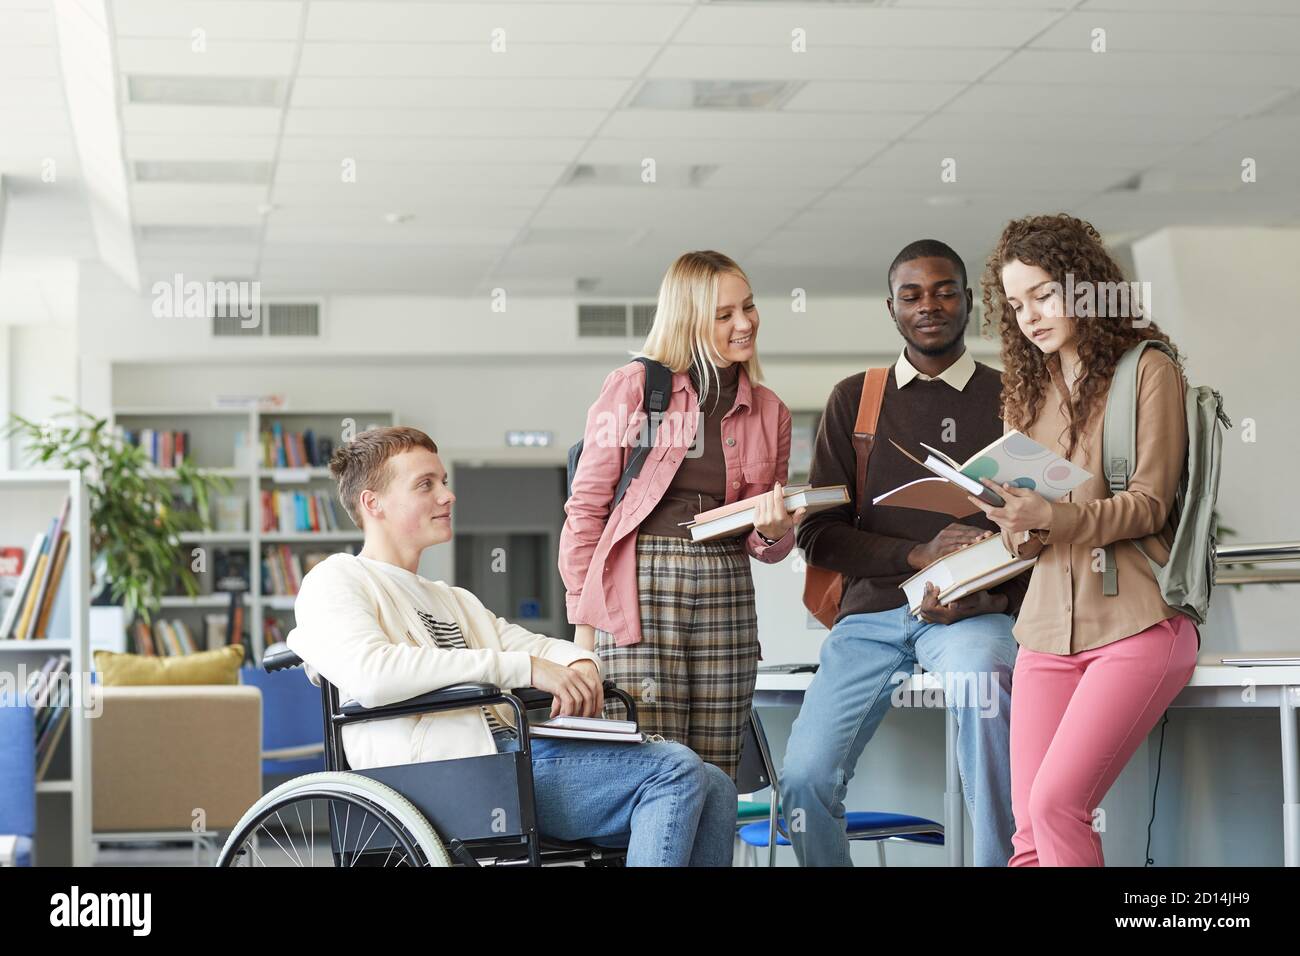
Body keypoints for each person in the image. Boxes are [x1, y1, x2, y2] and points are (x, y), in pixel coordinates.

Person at [286, 426, 737, 866]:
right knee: (674, 769)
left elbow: (536, 646)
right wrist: (526, 669)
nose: (447, 495)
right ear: (373, 503)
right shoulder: (336, 579)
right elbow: (373, 674)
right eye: (425, 485)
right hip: (439, 775)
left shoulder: (451, 599)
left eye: (443, 481)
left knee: (714, 785)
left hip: (505, 760)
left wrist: (579, 664)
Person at [781, 239, 1027, 867]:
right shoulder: (854, 400)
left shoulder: (1015, 399)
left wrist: (990, 595)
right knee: (806, 778)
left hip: (975, 617)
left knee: (987, 702)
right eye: (912, 295)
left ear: (970, 302)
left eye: (945, 290)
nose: (930, 305)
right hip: (870, 619)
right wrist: (918, 553)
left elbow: (1047, 531)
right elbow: (819, 533)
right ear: (891, 308)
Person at [972, 213, 1197, 867]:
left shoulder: (1148, 371)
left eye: (1043, 294)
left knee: (1056, 806)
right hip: (1044, 634)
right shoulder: (1029, 391)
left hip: (1136, 624)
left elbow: (1150, 505)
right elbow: (1034, 538)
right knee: (1028, 835)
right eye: (1016, 305)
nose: (1030, 316)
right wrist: (1012, 521)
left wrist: (1050, 515)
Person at [559, 250, 800, 780]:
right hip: (641, 579)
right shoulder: (636, 387)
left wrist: (776, 530)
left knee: (716, 772)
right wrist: (583, 624)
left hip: (726, 582)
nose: (744, 323)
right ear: (688, 318)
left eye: (749, 307)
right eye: (724, 315)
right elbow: (587, 508)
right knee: (651, 765)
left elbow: (764, 544)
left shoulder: (770, 411)